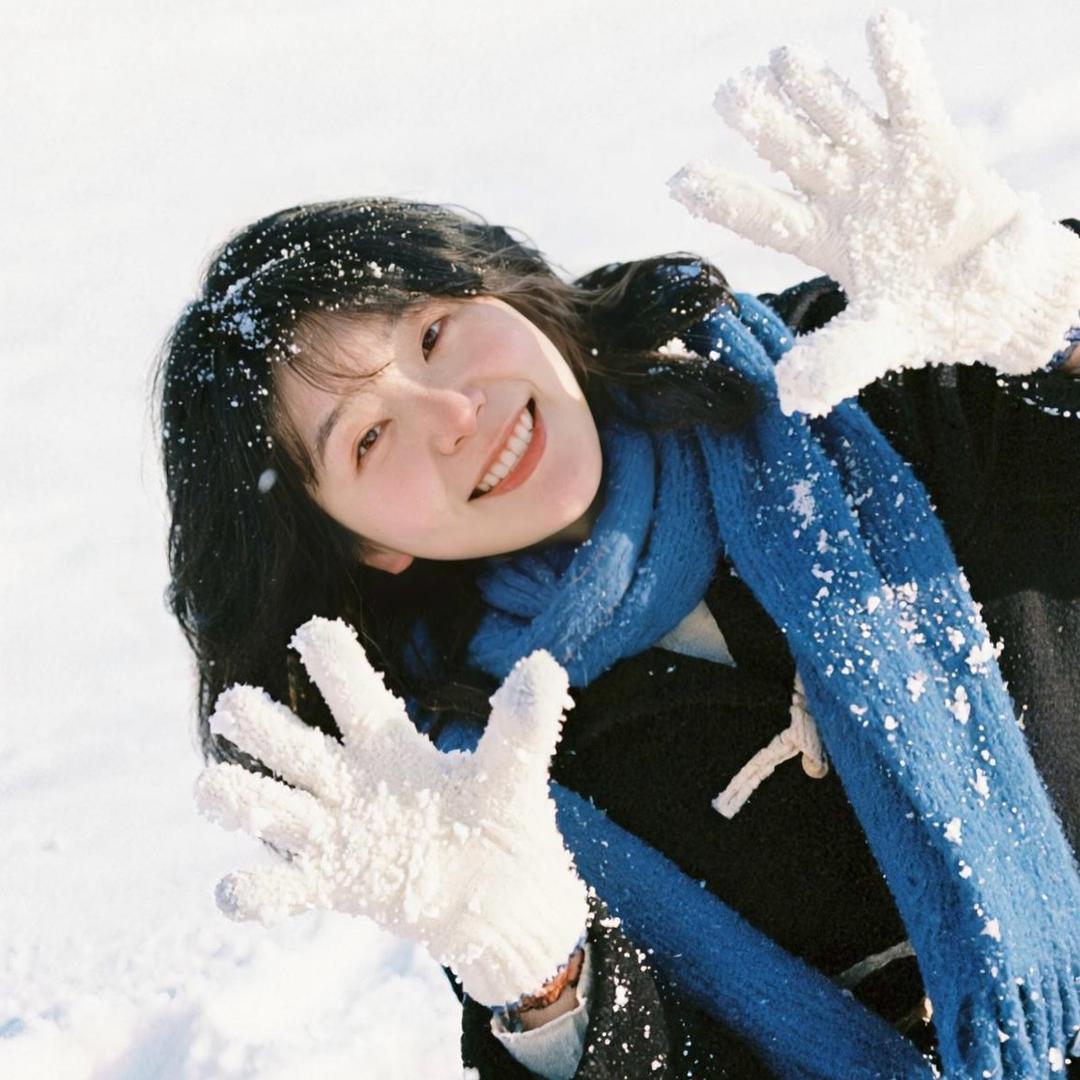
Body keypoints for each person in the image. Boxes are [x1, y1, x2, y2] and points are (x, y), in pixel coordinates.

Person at [158, 11, 1080, 1079]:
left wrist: (1053, 321)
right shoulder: (489, 773)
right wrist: (546, 985)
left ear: (507, 290)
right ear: (365, 548)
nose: (454, 411)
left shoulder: (862, 364)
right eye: (368, 438)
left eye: (433, 334)